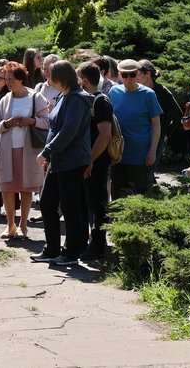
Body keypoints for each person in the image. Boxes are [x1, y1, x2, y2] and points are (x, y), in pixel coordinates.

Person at [31, 61, 93, 265]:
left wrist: (47, 152)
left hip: (72, 161)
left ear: (61, 78)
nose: (48, 79)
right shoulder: (64, 96)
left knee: (70, 207)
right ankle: (52, 249)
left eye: (51, 75)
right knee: (48, 202)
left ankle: (72, 252)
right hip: (58, 160)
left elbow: (69, 131)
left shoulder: (77, 99)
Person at [0, 61, 50, 239]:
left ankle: (23, 224)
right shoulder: (5, 99)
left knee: (26, 188)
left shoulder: (36, 97)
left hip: (29, 150)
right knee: (7, 188)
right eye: (5, 79)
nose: (7, 82)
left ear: (20, 79)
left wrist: (31, 121)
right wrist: (6, 124)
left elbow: (47, 122)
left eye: (10, 79)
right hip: (8, 149)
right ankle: (10, 225)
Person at [108, 59, 162, 199]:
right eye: (125, 75)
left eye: (132, 74)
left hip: (140, 155)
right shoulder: (114, 92)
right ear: (119, 75)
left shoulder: (148, 94)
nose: (128, 79)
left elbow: (156, 123)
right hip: (118, 154)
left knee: (141, 195)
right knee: (118, 196)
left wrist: (153, 150)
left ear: (138, 74)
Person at [77, 61, 113, 260]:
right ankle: (86, 243)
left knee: (98, 204)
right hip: (86, 161)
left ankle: (99, 245)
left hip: (97, 162)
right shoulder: (86, 99)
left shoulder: (101, 101)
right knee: (86, 202)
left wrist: (90, 160)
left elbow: (105, 135)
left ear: (85, 80)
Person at [137, 59, 182, 178]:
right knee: (141, 171)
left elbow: (178, 115)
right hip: (140, 136)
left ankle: (151, 193)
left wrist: (166, 134)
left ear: (148, 74)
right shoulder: (137, 91)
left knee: (148, 170)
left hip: (157, 137)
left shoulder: (163, 92)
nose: (135, 76)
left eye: (138, 73)